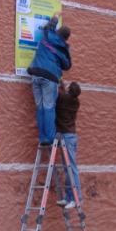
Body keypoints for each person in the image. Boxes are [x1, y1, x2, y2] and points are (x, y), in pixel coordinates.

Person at [27, 13, 71, 146]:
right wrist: (66, 49)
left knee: (40, 107)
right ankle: (50, 137)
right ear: (66, 38)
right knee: (49, 107)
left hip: (36, 74)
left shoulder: (48, 35)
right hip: (50, 78)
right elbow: (67, 65)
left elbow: (49, 27)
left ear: (57, 31)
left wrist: (55, 17)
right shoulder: (63, 49)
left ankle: (43, 137)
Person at [55, 81, 82, 210]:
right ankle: (69, 197)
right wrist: (64, 86)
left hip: (67, 136)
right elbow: (64, 95)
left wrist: (59, 84)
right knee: (68, 169)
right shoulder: (75, 101)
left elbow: (59, 96)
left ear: (69, 89)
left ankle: (77, 199)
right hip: (70, 136)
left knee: (71, 168)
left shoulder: (64, 98)